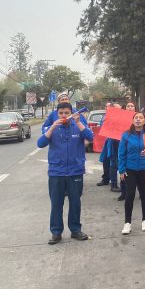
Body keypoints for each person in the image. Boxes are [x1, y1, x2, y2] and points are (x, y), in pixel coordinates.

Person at [37, 102, 93, 245]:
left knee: (75, 202)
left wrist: (79, 123)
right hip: (57, 172)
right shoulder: (52, 127)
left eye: (66, 113)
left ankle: (75, 230)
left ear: (71, 113)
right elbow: (40, 143)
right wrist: (52, 128)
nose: (63, 116)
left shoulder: (78, 126)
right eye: (61, 113)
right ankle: (56, 232)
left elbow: (90, 137)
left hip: (75, 171)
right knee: (56, 203)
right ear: (57, 114)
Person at [118, 112, 145, 235]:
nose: (138, 120)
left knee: (144, 194)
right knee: (130, 195)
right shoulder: (126, 135)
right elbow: (121, 153)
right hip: (130, 169)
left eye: (141, 118)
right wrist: (122, 170)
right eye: (136, 118)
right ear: (132, 121)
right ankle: (127, 223)